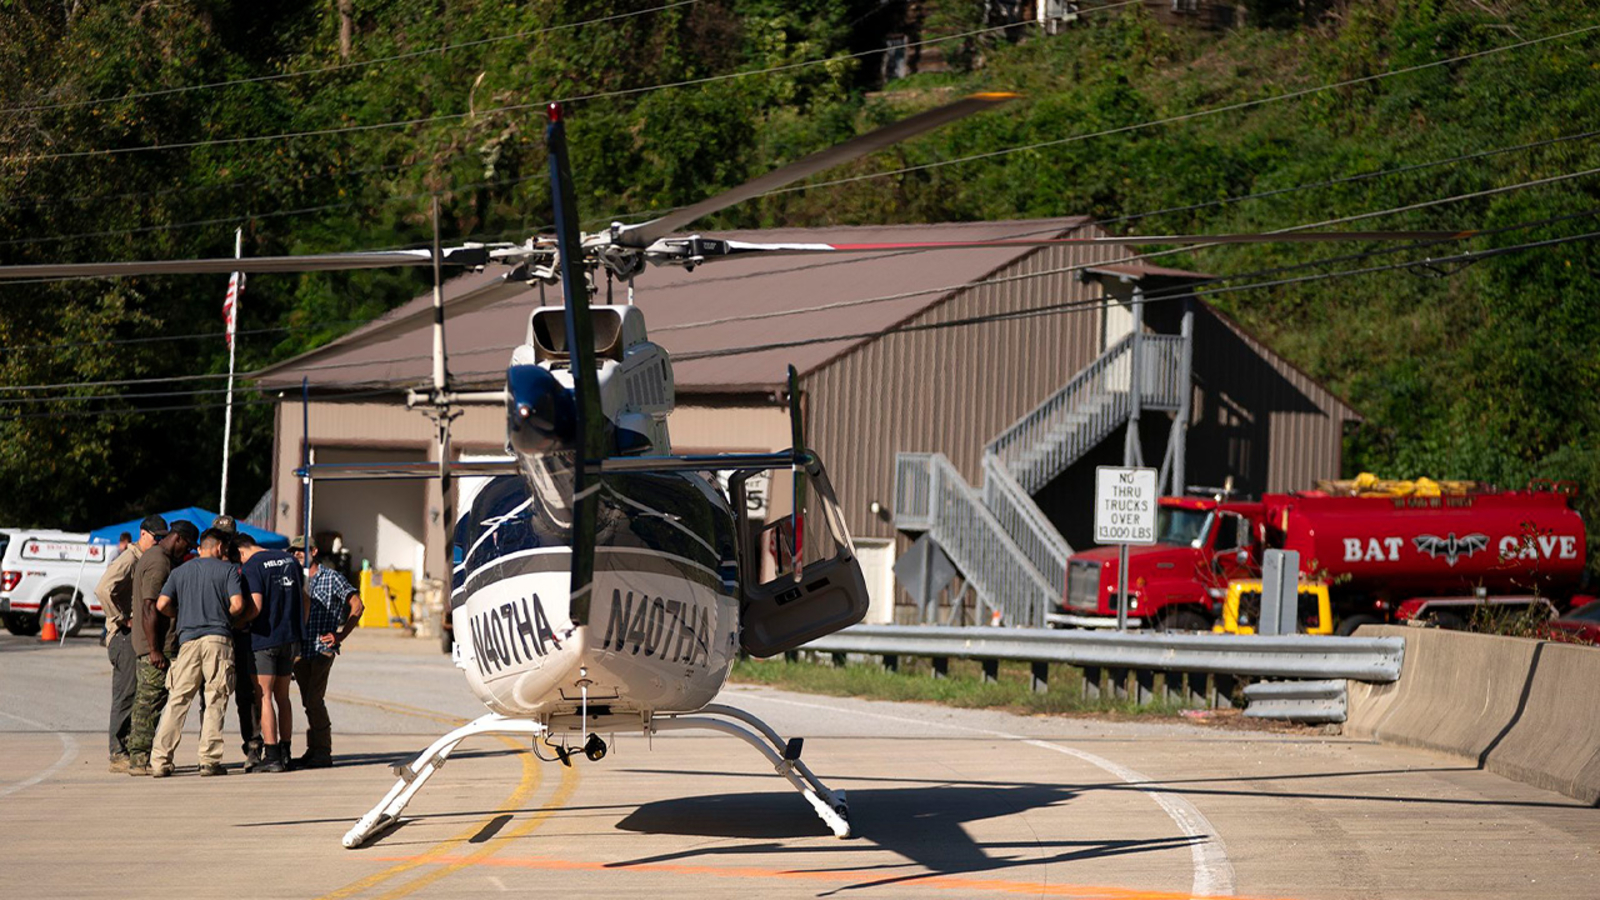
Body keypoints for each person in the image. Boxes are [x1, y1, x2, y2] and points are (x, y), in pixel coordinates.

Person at [149, 529, 248, 777]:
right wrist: (223, 615)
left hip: (188, 641)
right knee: (215, 699)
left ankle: (160, 760)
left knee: (178, 700)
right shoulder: (227, 571)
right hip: (218, 640)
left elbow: (161, 604)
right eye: (223, 548)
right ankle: (209, 760)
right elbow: (237, 605)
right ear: (217, 548)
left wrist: (180, 615)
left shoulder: (180, 571)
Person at [126, 519, 198, 776]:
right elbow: (149, 607)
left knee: (152, 700)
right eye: (186, 545)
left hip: (155, 642)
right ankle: (138, 759)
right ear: (177, 539)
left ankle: (140, 755)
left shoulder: (159, 557)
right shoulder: (159, 562)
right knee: (149, 701)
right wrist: (155, 649)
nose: (186, 551)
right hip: (154, 645)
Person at [95, 514, 165, 773]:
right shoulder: (130, 558)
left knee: (136, 693)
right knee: (125, 694)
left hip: (134, 635)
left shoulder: (146, 558)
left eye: (162, 538)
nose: (158, 541)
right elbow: (103, 589)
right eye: (155, 537)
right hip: (123, 637)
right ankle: (117, 752)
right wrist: (121, 619)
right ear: (143, 534)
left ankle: (127, 747)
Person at [239, 533, 305, 773]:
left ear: (241, 551)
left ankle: (273, 755)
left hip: (265, 638)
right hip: (291, 637)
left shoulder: (253, 566)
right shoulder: (290, 561)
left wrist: (239, 622)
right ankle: (287, 752)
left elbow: (255, 606)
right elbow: (304, 599)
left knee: (264, 696)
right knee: (283, 697)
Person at [295, 542, 363, 769]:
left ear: (313, 551)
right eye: (293, 552)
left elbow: (357, 605)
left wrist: (341, 634)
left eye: (300, 551)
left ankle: (323, 751)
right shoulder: (294, 576)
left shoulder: (331, 577)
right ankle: (313, 749)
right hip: (300, 649)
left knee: (314, 699)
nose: (296, 555)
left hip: (323, 647)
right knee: (308, 702)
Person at [212, 516, 264, 770]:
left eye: (228, 535)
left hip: (243, 637)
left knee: (247, 697)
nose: (225, 540)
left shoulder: (246, 563)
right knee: (210, 696)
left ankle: (253, 747)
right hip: (215, 635)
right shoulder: (206, 563)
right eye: (220, 535)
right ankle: (209, 752)